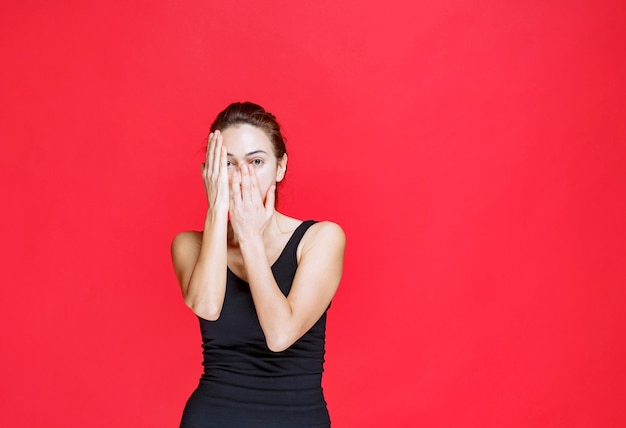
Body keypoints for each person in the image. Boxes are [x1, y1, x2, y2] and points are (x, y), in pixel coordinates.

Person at [171, 102, 346, 428]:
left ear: (280, 168)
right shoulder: (188, 244)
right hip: (211, 417)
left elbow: (280, 335)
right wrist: (217, 210)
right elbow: (208, 306)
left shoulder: (321, 238)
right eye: (228, 163)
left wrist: (250, 237)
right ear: (209, 171)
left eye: (256, 161)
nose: (242, 176)